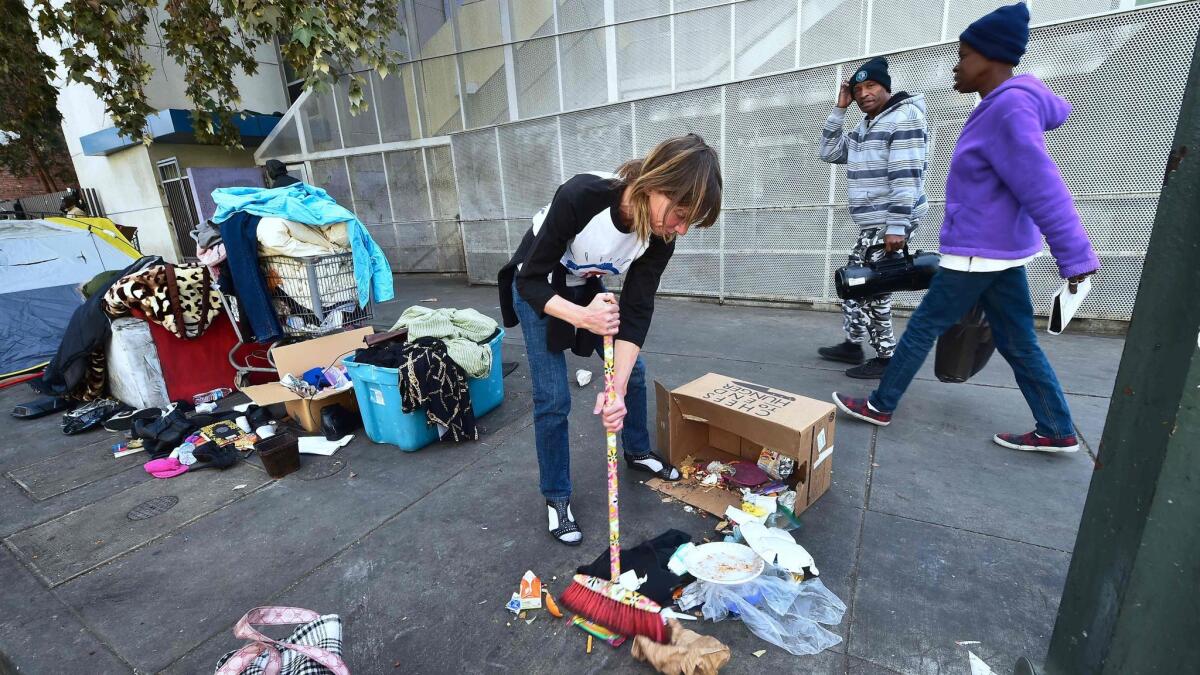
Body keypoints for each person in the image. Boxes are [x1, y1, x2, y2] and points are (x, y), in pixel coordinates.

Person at [832, 3, 1099, 453]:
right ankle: (1056, 428)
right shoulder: (1005, 105)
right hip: (1000, 253)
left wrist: (1076, 258)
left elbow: (1043, 187)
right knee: (1018, 344)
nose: (955, 67)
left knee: (921, 328)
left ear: (991, 59)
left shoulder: (1006, 111)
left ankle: (881, 404)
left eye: (963, 56)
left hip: (978, 254)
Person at [498, 134, 722, 546]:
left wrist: (613, 390)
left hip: (585, 284)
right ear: (657, 184)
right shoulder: (583, 196)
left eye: (691, 222)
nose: (682, 229)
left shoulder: (661, 235)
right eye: (681, 214)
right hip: (538, 286)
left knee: (631, 373)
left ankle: (637, 450)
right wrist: (583, 317)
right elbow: (529, 280)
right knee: (552, 397)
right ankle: (556, 497)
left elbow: (637, 311)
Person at [818, 56, 929, 379]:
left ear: (886, 87)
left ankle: (887, 357)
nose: (864, 93)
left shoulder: (903, 119)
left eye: (871, 86)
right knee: (853, 280)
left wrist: (896, 227)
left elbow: (905, 177)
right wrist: (839, 109)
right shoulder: (865, 126)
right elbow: (828, 152)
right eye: (858, 89)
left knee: (874, 288)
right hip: (873, 223)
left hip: (889, 222)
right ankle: (853, 342)